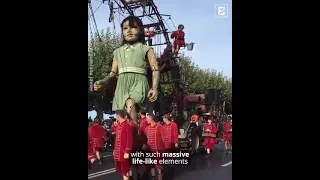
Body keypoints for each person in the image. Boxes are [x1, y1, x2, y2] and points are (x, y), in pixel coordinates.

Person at [94, 16, 160, 124]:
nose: (129, 31)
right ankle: (128, 137)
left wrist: (154, 88)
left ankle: (134, 137)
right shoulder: (117, 52)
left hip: (139, 81)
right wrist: (104, 81)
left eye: (133, 27)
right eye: (125, 28)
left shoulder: (146, 49)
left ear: (140, 30)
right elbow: (113, 73)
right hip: (122, 83)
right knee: (121, 116)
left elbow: (155, 70)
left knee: (131, 105)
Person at [143, 114, 166, 180]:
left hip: (158, 150)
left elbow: (164, 138)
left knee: (158, 166)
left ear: (151, 119)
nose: (146, 120)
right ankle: (153, 177)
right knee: (150, 165)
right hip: (149, 151)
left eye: (147, 118)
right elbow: (145, 138)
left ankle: (160, 177)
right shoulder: (146, 128)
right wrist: (145, 145)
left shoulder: (159, 127)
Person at [114, 110, 133, 180]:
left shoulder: (127, 125)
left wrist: (127, 151)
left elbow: (129, 139)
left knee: (125, 170)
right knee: (123, 170)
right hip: (118, 152)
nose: (115, 117)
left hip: (124, 151)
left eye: (116, 115)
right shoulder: (118, 125)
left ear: (118, 116)